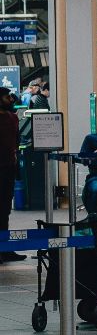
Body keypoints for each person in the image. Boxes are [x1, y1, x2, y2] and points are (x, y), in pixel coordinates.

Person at [0, 89, 18, 261]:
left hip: (8, 168)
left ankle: (5, 248)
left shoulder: (13, 118)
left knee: (5, 210)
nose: (11, 99)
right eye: (7, 97)